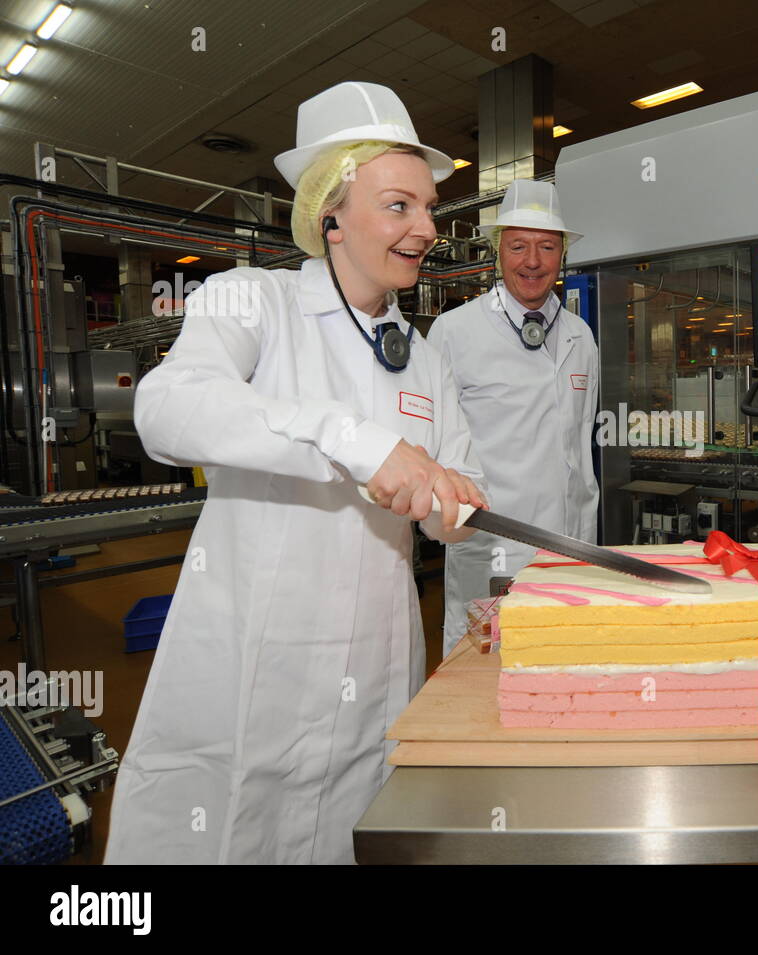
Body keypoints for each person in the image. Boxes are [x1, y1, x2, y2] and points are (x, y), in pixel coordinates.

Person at [104, 82, 487, 864]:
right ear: (330, 215)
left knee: (350, 836)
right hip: (255, 664)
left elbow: (457, 496)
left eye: (427, 208)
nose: (425, 230)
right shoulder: (252, 302)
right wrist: (352, 439)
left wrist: (450, 504)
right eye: (399, 206)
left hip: (377, 670)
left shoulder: (426, 360)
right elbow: (168, 409)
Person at [428, 180, 599, 656]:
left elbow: (580, 448)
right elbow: (434, 447)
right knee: (481, 676)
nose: (533, 261)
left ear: (562, 255)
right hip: (490, 547)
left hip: (571, 548)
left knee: (563, 665)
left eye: (547, 246)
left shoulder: (580, 337)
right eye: (519, 246)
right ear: (497, 253)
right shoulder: (454, 332)